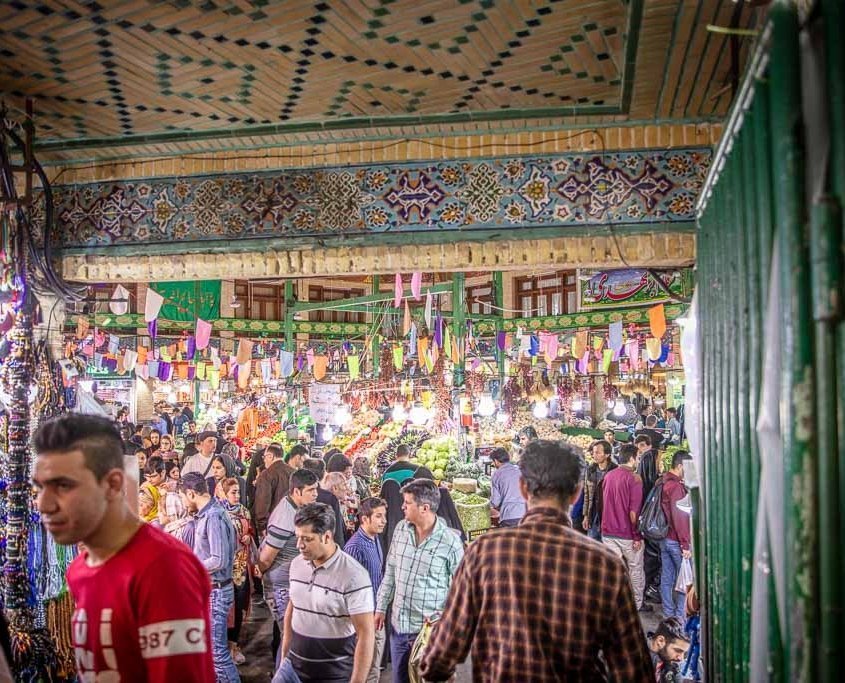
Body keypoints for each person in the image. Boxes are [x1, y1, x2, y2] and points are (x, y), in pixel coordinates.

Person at [420, 440, 653, 683]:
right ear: (575, 494)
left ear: (522, 488)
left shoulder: (484, 552)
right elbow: (634, 669)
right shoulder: (606, 565)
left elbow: (440, 654)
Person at [32, 413, 215, 681]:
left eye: (63, 486)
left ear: (113, 484)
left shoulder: (162, 569)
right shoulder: (80, 570)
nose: (44, 504)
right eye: (39, 487)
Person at [375, 479, 464, 683]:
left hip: (429, 635)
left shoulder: (450, 543)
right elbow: (390, 571)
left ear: (424, 508)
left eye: (407, 502)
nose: (402, 506)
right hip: (399, 628)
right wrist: (381, 607)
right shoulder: (400, 529)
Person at [275, 503, 375, 683]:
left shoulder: (354, 576)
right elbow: (293, 607)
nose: (299, 545)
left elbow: (366, 633)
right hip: (292, 671)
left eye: (307, 539)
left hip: (333, 676)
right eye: (298, 537)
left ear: (327, 536)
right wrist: (284, 659)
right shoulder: (297, 565)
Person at [179, 472, 241, 683]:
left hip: (217, 592)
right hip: (214, 590)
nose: (184, 502)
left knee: (218, 656)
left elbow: (218, 559)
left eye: (184, 497)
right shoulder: (209, 514)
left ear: (191, 493)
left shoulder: (213, 516)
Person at [258, 469, 320, 663]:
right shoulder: (286, 517)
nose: (315, 494)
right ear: (296, 491)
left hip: (290, 583)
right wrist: (261, 573)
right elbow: (267, 557)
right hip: (281, 587)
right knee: (290, 641)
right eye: (310, 490)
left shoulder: (295, 509)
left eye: (315, 489)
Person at [344, 497, 388, 683]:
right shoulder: (355, 547)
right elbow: (347, 588)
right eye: (378, 516)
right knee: (366, 670)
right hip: (364, 620)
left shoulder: (374, 539)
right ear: (364, 519)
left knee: (374, 668)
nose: (384, 521)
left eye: (384, 516)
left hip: (376, 615)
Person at [601, 444, 649, 611]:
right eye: (637, 457)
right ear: (631, 458)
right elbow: (633, 513)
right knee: (635, 570)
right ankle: (635, 605)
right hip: (627, 534)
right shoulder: (635, 478)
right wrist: (637, 535)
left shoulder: (609, 476)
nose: (638, 460)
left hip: (607, 532)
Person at [219, 477, 254, 667]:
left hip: (241, 566)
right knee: (225, 608)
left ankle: (234, 645)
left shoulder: (244, 511)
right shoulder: (219, 514)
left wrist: (249, 536)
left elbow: (251, 530)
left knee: (240, 605)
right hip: (225, 568)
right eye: (233, 492)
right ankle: (223, 646)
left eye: (238, 492)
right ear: (224, 493)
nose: (237, 495)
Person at [660, 450, 692, 620]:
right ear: (680, 466)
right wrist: (685, 544)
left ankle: (668, 614)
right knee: (683, 582)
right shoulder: (676, 488)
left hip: (664, 538)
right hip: (675, 540)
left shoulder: (662, 481)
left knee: (667, 577)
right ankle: (680, 619)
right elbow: (679, 518)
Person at [636, 433, 662, 601]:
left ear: (642, 445)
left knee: (651, 554)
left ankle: (647, 587)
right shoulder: (652, 457)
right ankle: (649, 587)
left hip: (647, 510)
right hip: (650, 511)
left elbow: (647, 482)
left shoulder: (646, 457)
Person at [301, 458, 345, 547]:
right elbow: (337, 531)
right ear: (323, 473)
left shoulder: (297, 494)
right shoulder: (329, 498)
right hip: (326, 547)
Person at [253, 443, 294, 537]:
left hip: (274, 525)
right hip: (292, 523)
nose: (264, 460)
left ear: (271, 456)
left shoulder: (266, 474)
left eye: (265, 457)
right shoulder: (293, 472)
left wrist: (261, 526)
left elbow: (262, 501)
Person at [582, 440, 617, 540]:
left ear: (607, 454)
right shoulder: (590, 470)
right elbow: (587, 494)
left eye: (598, 452)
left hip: (608, 515)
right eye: (593, 452)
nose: (594, 455)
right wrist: (585, 516)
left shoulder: (614, 471)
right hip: (593, 514)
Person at [489, 447, 526, 527]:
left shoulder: (496, 475)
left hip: (509, 517)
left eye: (493, 462)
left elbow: (495, 502)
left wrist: (488, 506)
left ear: (496, 461)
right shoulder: (520, 470)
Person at [648, 617, 691, 682]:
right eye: (678, 650)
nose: (681, 658)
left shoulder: (668, 659)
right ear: (660, 641)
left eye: (685, 653)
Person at [139, 456, 166, 524]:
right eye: (147, 476)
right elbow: (142, 510)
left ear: (163, 473)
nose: (149, 480)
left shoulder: (172, 485)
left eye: (153, 476)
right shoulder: (145, 487)